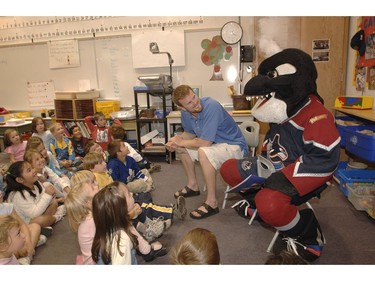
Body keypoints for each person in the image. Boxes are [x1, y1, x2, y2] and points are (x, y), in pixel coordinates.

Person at [219, 49, 341, 262]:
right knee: (229, 168)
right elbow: (274, 145)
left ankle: (308, 235)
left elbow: (324, 160)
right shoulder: (284, 108)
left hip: (305, 174)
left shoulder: (317, 115)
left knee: (271, 203)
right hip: (276, 166)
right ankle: (257, 204)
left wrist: (283, 177)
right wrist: (262, 166)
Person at [165, 84, 248, 219]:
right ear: (182, 108)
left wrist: (180, 141)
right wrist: (176, 142)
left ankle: (212, 203)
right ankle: (193, 186)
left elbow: (205, 143)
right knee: (182, 148)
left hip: (234, 146)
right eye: (189, 103)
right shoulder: (185, 114)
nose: (195, 103)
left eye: (194, 97)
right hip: (216, 145)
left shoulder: (211, 106)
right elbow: (189, 134)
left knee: (203, 151)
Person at [83, 152, 187, 242]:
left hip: (119, 203)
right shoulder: (96, 180)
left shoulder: (104, 174)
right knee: (143, 206)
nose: (105, 163)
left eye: (103, 161)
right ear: (92, 168)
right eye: (100, 163)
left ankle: (152, 223)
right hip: (118, 206)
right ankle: (171, 211)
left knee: (143, 199)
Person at [91, 181, 167, 264]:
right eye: (128, 194)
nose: (131, 193)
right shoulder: (121, 240)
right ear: (121, 207)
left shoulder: (109, 226)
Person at [3, 161, 66, 228]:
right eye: (29, 170)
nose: (34, 170)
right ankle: (57, 216)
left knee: (54, 203)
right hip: (24, 223)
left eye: (32, 168)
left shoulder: (35, 184)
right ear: (20, 179)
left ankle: (45, 225)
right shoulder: (18, 195)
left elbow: (41, 202)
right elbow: (34, 214)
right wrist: (47, 195)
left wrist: (51, 197)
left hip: (37, 215)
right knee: (40, 220)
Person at [0, 197, 46, 265]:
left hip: (9, 243)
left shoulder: (7, 206)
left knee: (35, 226)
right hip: (6, 245)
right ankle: (28, 251)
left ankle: (27, 247)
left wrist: (28, 242)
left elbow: (22, 225)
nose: (0, 193)